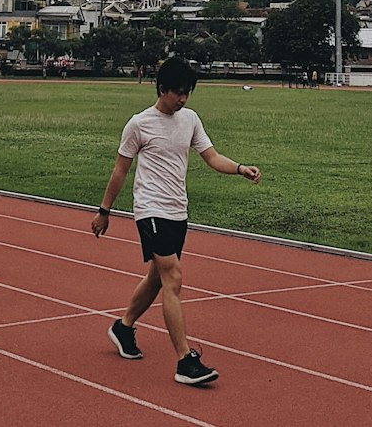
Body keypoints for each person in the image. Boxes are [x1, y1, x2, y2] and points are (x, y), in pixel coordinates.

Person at [91, 56, 261, 387]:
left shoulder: (190, 120)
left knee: (156, 277)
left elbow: (211, 157)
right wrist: (105, 211)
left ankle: (123, 328)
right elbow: (120, 170)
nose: (182, 99)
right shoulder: (139, 124)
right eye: (178, 93)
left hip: (177, 211)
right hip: (150, 210)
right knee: (173, 277)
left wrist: (240, 168)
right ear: (162, 89)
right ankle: (185, 361)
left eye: (188, 93)